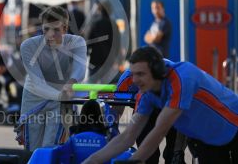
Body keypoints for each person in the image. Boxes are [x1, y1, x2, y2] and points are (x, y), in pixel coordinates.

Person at [83, 46, 238, 164]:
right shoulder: (147, 94)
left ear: (157, 71)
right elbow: (128, 136)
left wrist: (132, 161)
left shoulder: (182, 77)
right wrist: (91, 160)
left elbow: (159, 130)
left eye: (140, 74)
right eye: (133, 74)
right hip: (210, 139)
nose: (135, 80)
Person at [19, 6, 87, 151]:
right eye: (46, 29)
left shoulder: (77, 42)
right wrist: (61, 94)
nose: (50, 35)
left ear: (65, 28)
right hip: (35, 97)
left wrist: (71, 83)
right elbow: (38, 82)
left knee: (52, 146)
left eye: (56, 30)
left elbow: (80, 69)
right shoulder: (28, 45)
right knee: (33, 149)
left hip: (61, 98)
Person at [86, 0, 120, 83]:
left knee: (92, 86)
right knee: (106, 87)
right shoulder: (114, 25)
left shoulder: (95, 23)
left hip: (95, 59)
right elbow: (117, 44)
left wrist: (86, 52)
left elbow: (89, 41)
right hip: (109, 60)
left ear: (100, 10)